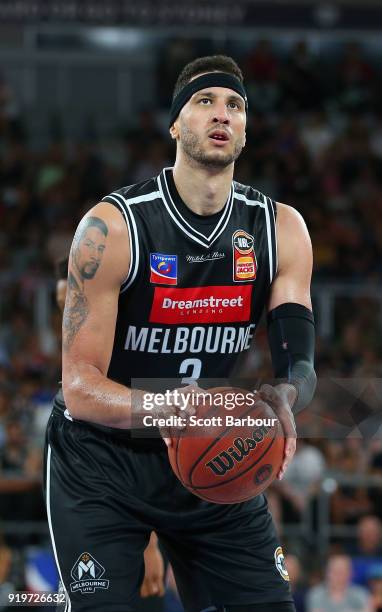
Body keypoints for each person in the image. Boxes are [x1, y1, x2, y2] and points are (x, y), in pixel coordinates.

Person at [44, 55, 316, 611]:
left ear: (245, 129)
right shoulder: (113, 226)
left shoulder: (281, 228)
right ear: (174, 123)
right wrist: (171, 410)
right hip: (104, 462)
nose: (222, 113)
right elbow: (79, 387)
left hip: (211, 455)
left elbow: (298, 359)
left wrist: (287, 397)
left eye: (235, 105)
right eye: (205, 100)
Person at [54, 257, 166, 602]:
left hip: (126, 489)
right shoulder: (72, 341)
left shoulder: (115, 341)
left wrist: (149, 546)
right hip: (79, 476)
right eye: (61, 300)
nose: (65, 304)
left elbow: (137, 445)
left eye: (70, 296)